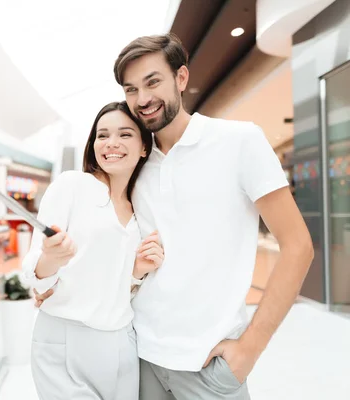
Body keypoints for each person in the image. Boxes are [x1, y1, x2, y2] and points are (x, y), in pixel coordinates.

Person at [36, 33, 314, 400]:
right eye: (131, 89)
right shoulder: (135, 164)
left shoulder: (239, 141)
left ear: (181, 78)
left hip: (208, 365)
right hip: (139, 357)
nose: (143, 99)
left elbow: (298, 246)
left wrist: (250, 348)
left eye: (153, 82)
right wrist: (51, 276)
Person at [22, 101, 165, 400]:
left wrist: (136, 271)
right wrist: (50, 258)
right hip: (65, 340)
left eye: (125, 134)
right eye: (102, 135)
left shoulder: (140, 207)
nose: (111, 143)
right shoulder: (72, 185)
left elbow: (114, 287)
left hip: (122, 342)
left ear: (143, 147)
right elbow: (34, 274)